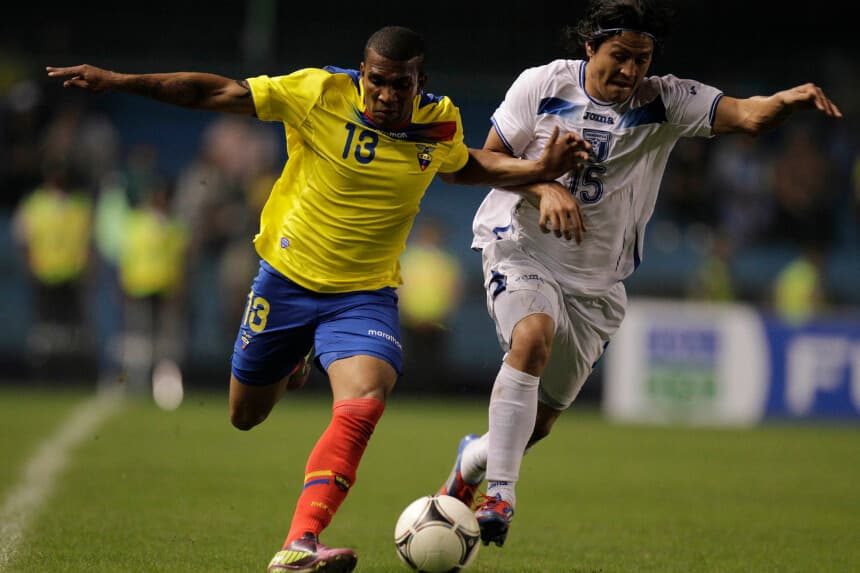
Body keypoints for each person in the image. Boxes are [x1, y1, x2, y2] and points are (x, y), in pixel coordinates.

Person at [47, 25, 591, 573]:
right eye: (376, 81)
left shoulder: (440, 120)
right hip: (286, 281)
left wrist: (540, 173)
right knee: (245, 414)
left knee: (366, 399)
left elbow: (462, 164)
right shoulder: (319, 92)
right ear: (362, 73)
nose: (386, 94)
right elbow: (218, 92)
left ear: (419, 81)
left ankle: (300, 542)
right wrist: (121, 81)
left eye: (400, 85)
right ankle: (297, 358)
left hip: (364, 294)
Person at [437, 0, 842, 549]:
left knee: (539, 423)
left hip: (596, 283)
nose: (630, 70)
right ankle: (500, 496)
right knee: (531, 337)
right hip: (521, 248)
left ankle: (474, 459)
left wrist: (785, 102)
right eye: (620, 55)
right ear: (590, 47)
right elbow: (481, 162)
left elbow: (747, 115)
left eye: (642, 59)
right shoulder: (543, 85)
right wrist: (544, 184)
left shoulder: (664, 99)